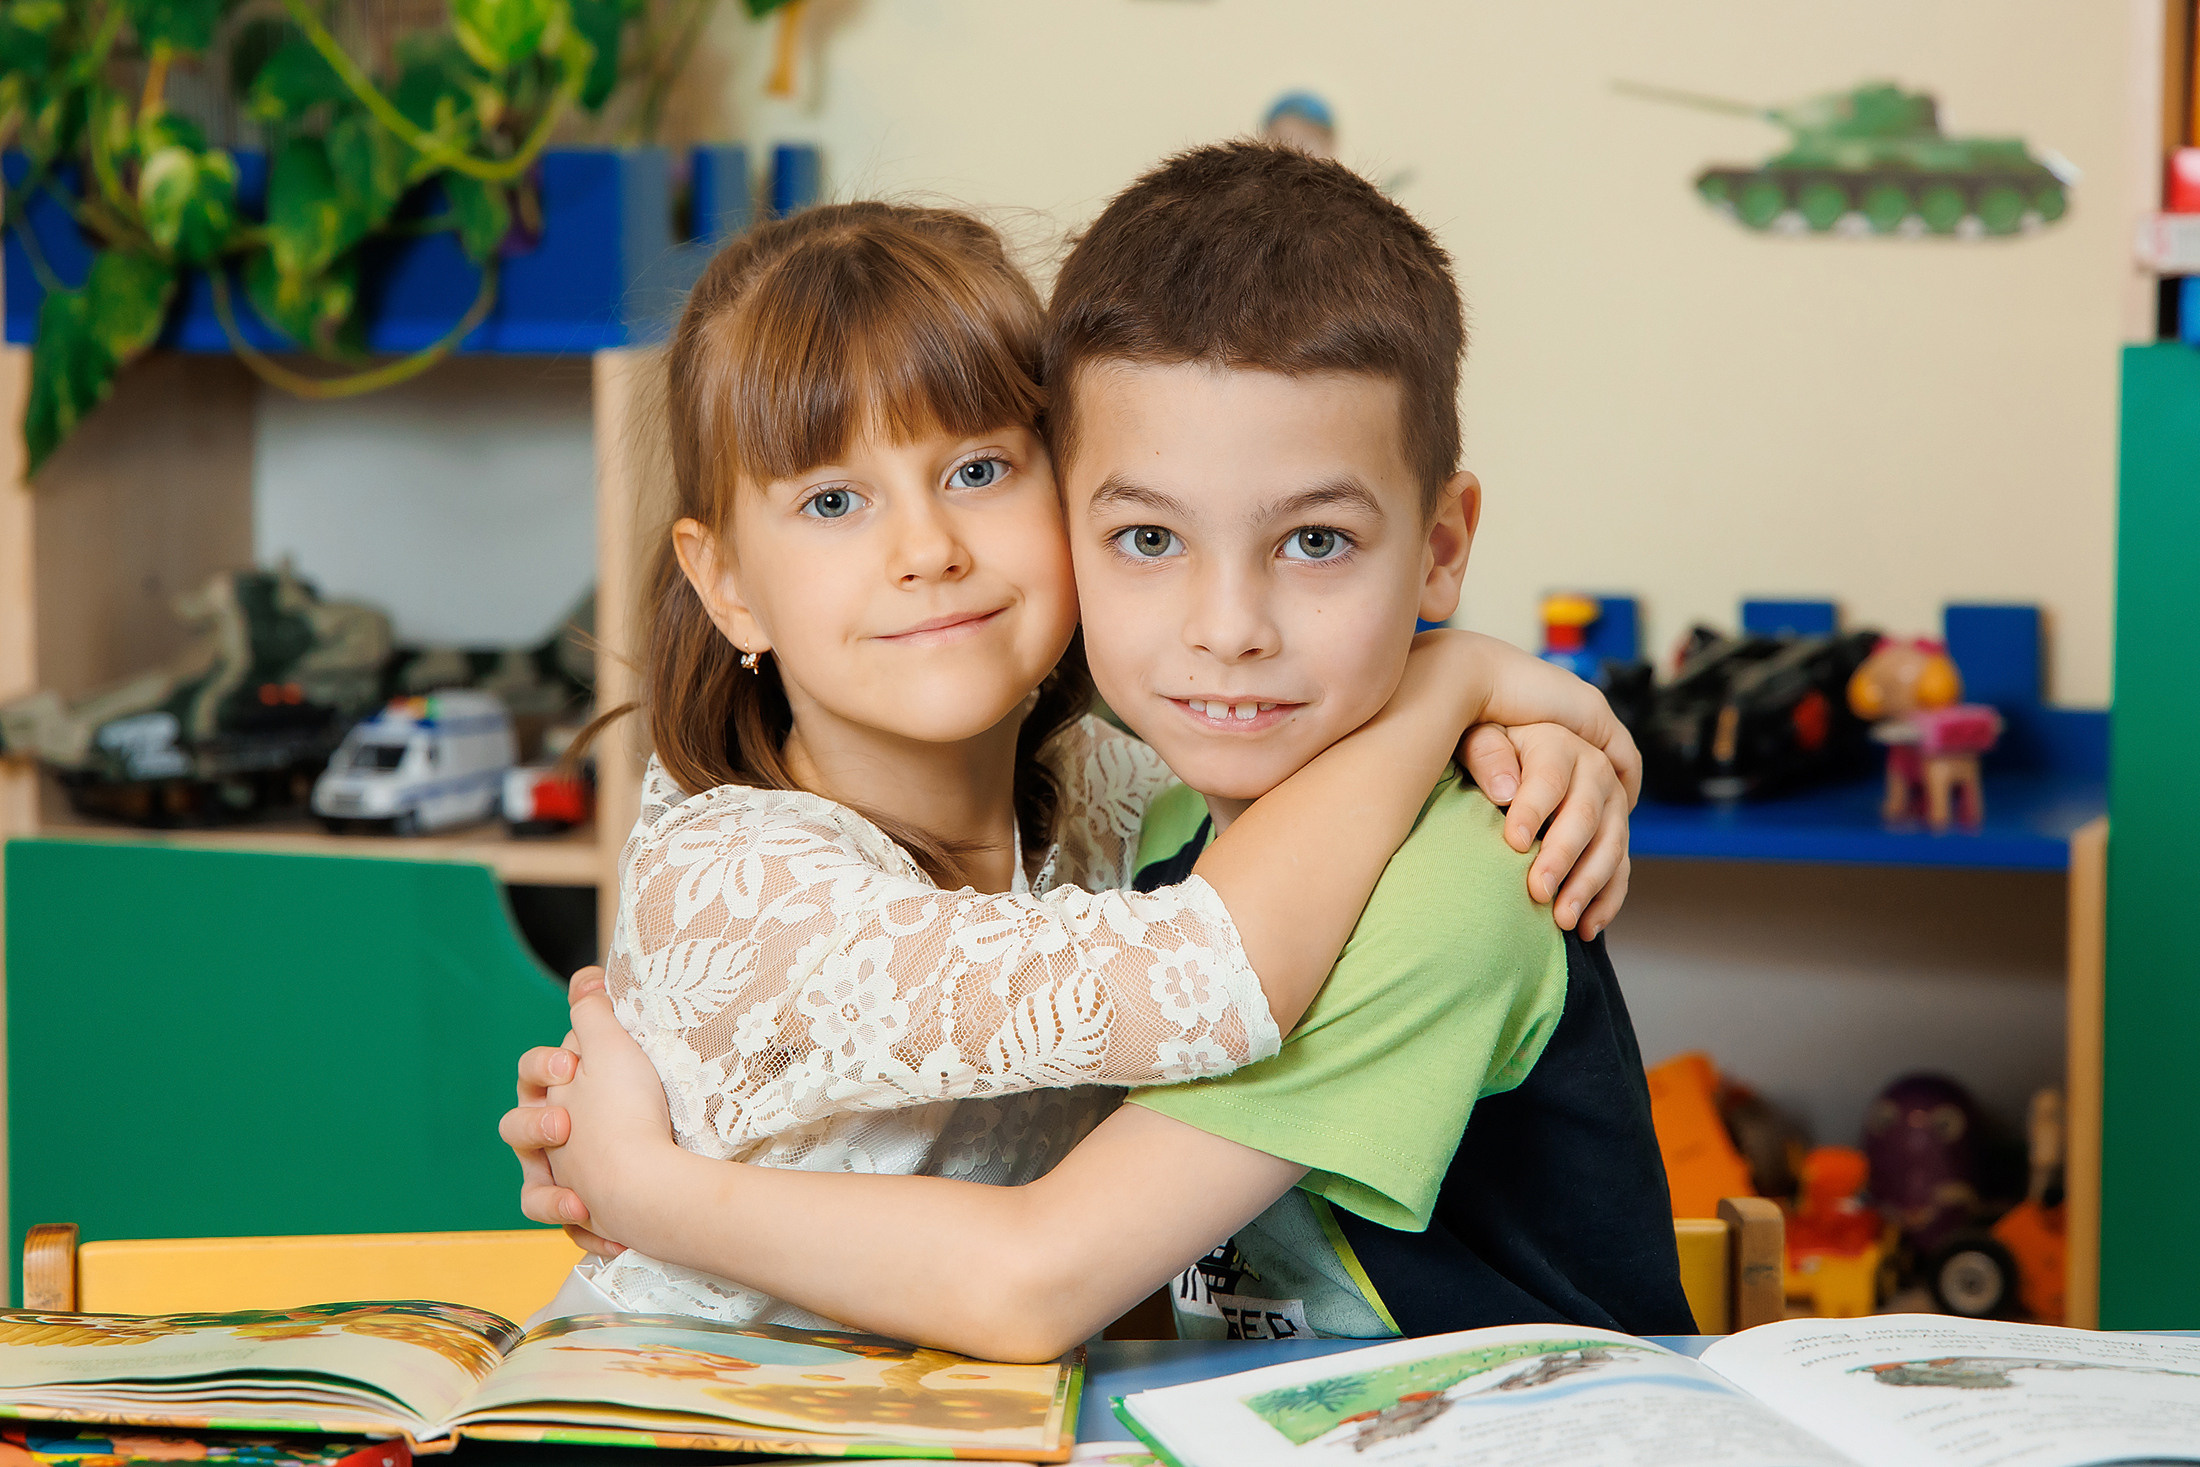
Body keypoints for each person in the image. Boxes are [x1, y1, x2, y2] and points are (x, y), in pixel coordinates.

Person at [509, 144, 1691, 1361]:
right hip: (694, 1399)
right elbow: (1198, 973)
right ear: (725, 585)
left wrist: (1520, 725)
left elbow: (1093, 1266)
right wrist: (1447, 679)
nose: (926, 549)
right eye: (831, 501)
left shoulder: (1116, 805)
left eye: (977, 471)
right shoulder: (751, 882)